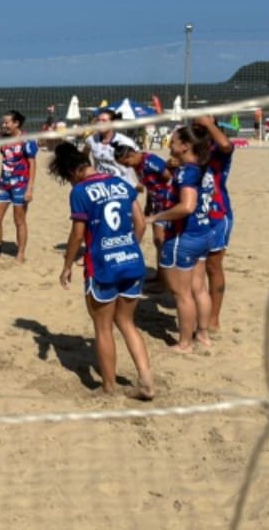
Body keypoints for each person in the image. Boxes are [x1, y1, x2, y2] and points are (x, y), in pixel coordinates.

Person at [49, 142, 154, 398]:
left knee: (103, 328)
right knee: (128, 323)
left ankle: (108, 387)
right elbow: (140, 223)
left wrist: (67, 265)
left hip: (103, 266)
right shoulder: (121, 182)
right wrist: (128, 246)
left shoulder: (80, 192)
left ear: (71, 172)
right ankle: (147, 381)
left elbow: (77, 235)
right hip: (131, 259)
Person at [144, 126, 216, 353]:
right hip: (203, 233)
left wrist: (156, 217)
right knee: (200, 289)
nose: (169, 144)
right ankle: (202, 335)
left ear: (185, 146)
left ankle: (185, 343)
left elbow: (187, 206)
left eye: (173, 141)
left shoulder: (187, 173)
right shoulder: (204, 169)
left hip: (184, 236)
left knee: (182, 294)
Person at [194, 116, 233, 333]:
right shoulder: (191, 149)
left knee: (213, 266)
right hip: (194, 215)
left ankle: (214, 318)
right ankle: (200, 315)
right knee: (194, 268)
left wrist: (209, 124)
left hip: (218, 214)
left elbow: (227, 145)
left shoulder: (217, 151)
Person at [118, 145, 174, 279]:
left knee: (160, 240)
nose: (127, 167)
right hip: (157, 203)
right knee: (158, 241)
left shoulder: (150, 161)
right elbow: (150, 185)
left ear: (131, 155)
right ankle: (161, 277)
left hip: (166, 203)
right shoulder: (138, 167)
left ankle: (164, 279)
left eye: (126, 163)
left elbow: (169, 176)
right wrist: (149, 203)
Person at [0, 110, 38, 262]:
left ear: (16, 123)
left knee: (19, 220)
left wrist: (30, 188)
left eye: (7, 122)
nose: (4, 125)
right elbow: (6, 159)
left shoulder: (27, 140)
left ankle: (20, 253)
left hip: (21, 185)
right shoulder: (2, 139)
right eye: (3, 122)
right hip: (3, 184)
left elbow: (32, 164)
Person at [84, 108, 139, 186]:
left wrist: (140, 182)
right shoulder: (91, 140)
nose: (100, 123)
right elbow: (84, 155)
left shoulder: (125, 141)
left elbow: (139, 161)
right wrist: (90, 172)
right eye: (98, 120)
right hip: (102, 185)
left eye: (104, 120)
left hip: (123, 184)